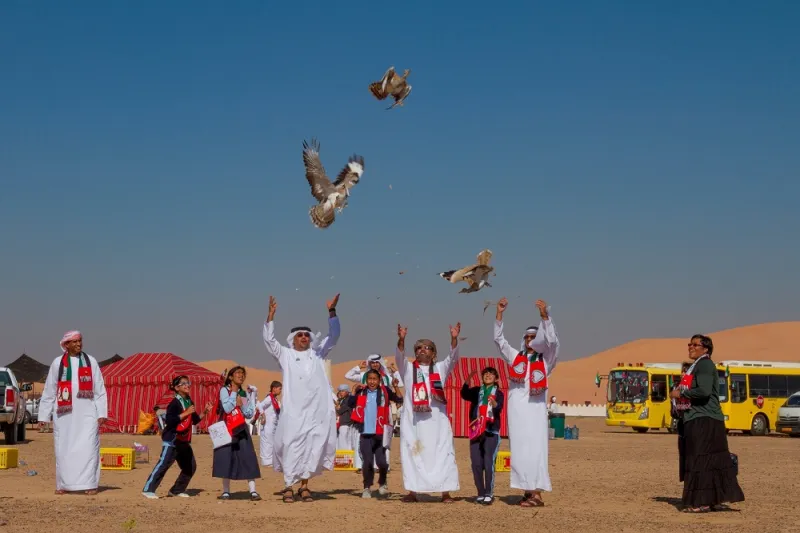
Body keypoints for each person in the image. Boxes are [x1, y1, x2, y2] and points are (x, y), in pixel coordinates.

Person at [262, 293, 341, 503]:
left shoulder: (318, 354)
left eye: (307, 335)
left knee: (311, 448)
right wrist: (270, 316)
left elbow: (334, 336)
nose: (304, 337)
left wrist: (332, 312)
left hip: (315, 412)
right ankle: (288, 486)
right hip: (294, 412)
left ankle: (304, 487)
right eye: (300, 335)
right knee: (290, 445)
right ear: (293, 339)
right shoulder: (285, 355)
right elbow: (269, 341)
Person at [493, 297, 560, 508]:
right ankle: (527, 490)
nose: (530, 340)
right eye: (528, 337)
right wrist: (499, 314)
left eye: (534, 337)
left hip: (536, 413)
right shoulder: (515, 357)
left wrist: (544, 316)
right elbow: (499, 341)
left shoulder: (546, 360)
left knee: (536, 450)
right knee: (520, 451)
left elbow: (553, 342)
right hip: (517, 412)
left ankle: (537, 494)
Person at [670, 335, 744, 513]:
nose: (691, 347)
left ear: (705, 349)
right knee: (709, 461)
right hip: (702, 419)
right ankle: (712, 500)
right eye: (690, 344)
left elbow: (703, 391)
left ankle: (701, 502)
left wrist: (680, 394)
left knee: (700, 460)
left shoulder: (704, 365)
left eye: (695, 344)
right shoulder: (697, 366)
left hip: (704, 420)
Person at [394, 322, 461, 503]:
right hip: (414, 423)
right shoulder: (408, 369)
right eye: (419, 348)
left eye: (427, 347)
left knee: (443, 453)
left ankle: (445, 492)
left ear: (433, 353)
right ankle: (413, 491)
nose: (422, 350)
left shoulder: (440, 369)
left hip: (438, 422)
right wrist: (401, 340)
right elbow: (399, 356)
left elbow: (453, 358)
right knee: (413, 454)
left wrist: (454, 339)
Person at [38, 330, 108, 495]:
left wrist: (101, 413)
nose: (78, 344)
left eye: (80, 341)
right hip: (64, 415)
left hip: (87, 413)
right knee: (63, 448)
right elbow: (50, 390)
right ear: (66, 344)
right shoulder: (57, 363)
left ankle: (89, 484)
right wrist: (43, 415)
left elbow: (99, 389)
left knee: (89, 447)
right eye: (75, 341)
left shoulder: (90, 361)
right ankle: (63, 485)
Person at [142, 375, 213, 499]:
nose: (187, 385)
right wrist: (186, 413)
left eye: (187, 383)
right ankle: (148, 489)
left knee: (190, 466)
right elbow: (170, 420)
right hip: (172, 440)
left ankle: (176, 490)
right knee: (163, 464)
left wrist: (205, 412)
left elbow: (195, 420)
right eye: (183, 383)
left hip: (184, 441)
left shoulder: (189, 401)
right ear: (176, 388)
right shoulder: (174, 403)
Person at [348, 369, 404, 498]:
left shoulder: (384, 392)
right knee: (367, 462)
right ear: (366, 380)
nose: (372, 382)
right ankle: (367, 487)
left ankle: (382, 483)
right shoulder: (361, 392)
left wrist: (396, 387)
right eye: (370, 379)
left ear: (379, 380)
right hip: (365, 433)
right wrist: (353, 392)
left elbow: (399, 399)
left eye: (375, 379)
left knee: (382, 462)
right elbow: (350, 404)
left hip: (380, 433)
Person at [345, 354, 403, 471]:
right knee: (362, 437)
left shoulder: (387, 377)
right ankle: (362, 465)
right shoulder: (363, 375)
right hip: (365, 410)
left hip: (384, 410)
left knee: (384, 437)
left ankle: (383, 465)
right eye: (372, 362)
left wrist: (395, 372)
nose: (375, 364)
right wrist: (358, 367)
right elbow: (348, 375)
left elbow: (400, 383)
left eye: (377, 362)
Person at [212, 366, 262, 501]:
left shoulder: (243, 393)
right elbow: (227, 409)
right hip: (227, 429)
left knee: (248, 457)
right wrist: (234, 394)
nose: (241, 376)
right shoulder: (224, 390)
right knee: (226, 458)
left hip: (241, 428)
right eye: (238, 373)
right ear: (230, 377)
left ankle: (253, 491)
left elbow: (249, 414)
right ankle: (226, 491)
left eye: (243, 374)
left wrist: (244, 403)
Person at [461, 367, 505, 505]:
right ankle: (480, 492)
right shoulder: (477, 391)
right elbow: (464, 394)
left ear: (496, 378)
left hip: (491, 431)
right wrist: (468, 379)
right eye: (485, 374)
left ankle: (488, 493)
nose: (488, 375)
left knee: (488, 462)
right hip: (476, 430)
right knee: (476, 463)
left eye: (491, 374)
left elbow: (499, 407)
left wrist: (494, 403)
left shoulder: (498, 393)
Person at [252, 381, 282, 467]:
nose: (280, 391)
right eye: (279, 389)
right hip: (267, 425)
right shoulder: (269, 398)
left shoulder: (275, 399)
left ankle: (270, 461)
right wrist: (263, 415)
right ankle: (266, 462)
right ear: (274, 388)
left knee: (271, 443)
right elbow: (259, 406)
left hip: (273, 425)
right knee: (267, 443)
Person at [671, 362, 691, 482]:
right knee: (683, 454)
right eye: (682, 371)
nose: (682, 374)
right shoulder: (678, 386)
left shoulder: (691, 385)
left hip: (691, 423)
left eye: (685, 371)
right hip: (681, 422)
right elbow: (674, 407)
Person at [335, 384, 361, 470]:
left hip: (346, 424)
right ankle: (346, 463)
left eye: (343, 391)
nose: (341, 393)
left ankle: (344, 463)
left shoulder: (348, 400)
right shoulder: (344, 400)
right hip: (345, 424)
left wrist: (337, 406)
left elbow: (340, 411)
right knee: (347, 443)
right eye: (340, 391)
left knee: (344, 443)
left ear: (347, 391)